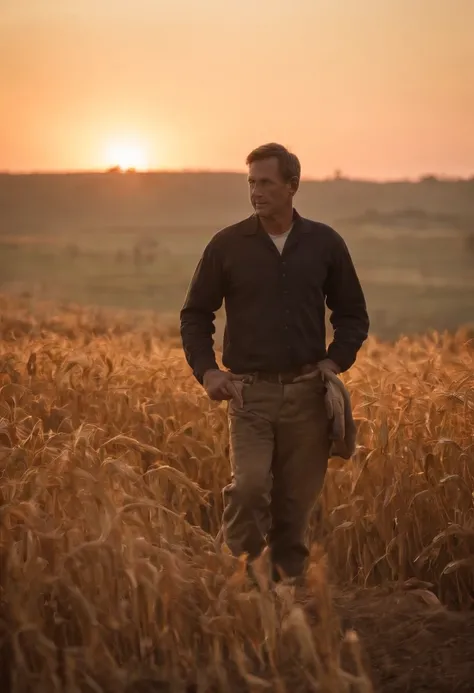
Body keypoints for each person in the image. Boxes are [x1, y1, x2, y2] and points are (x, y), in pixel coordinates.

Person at [180, 143, 369, 584]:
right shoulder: (227, 245)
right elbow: (195, 314)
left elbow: (352, 313)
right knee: (247, 490)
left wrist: (334, 363)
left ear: (292, 186)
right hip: (250, 394)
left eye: (265, 182)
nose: (256, 192)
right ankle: (247, 588)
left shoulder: (325, 243)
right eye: (251, 183)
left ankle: (287, 606)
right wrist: (207, 371)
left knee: (293, 511)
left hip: (309, 395)